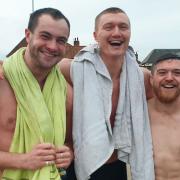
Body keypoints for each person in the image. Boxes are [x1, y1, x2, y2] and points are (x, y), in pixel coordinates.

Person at [60, 7, 154, 180]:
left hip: (115, 166)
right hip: (78, 164)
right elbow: (33, 66)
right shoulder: (72, 68)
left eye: (123, 27)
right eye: (109, 27)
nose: (117, 32)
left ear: (130, 33)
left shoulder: (143, 78)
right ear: (95, 35)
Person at [0, 8, 73, 180]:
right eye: (45, 36)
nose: (53, 46)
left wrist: (69, 153)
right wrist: (22, 160)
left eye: (61, 40)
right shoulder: (2, 82)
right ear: (28, 35)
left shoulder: (67, 92)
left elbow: (70, 141)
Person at [148, 53, 180, 180]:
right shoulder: (138, 115)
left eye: (177, 73)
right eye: (162, 72)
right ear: (151, 79)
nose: (169, 78)